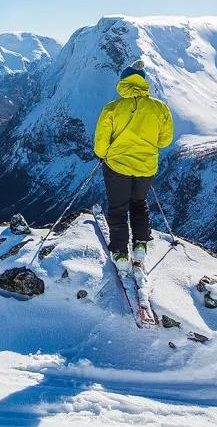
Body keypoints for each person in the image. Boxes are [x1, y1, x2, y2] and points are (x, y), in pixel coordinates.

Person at [93, 59, 174, 273]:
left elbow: (102, 141)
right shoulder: (160, 108)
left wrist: (103, 155)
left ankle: (120, 252)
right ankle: (140, 244)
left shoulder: (112, 109)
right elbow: (164, 140)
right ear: (144, 82)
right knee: (139, 204)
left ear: (122, 82)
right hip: (145, 166)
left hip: (117, 166)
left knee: (118, 209)